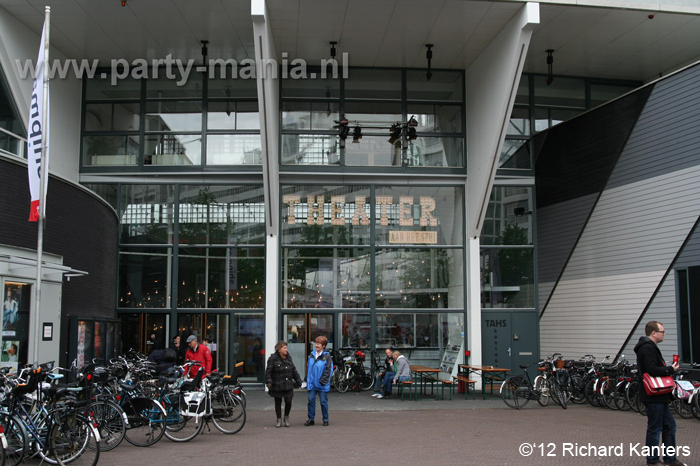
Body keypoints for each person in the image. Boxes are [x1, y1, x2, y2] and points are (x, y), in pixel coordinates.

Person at [634, 321, 685, 466]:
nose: (664, 334)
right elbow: (652, 370)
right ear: (654, 333)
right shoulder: (647, 349)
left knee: (669, 426)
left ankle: (670, 459)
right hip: (654, 395)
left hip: (658, 395)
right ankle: (653, 461)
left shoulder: (648, 347)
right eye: (662, 331)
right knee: (655, 428)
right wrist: (670, 369)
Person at [265, 341, 302, 428]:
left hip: (287, 384)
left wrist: (298, 381)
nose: (286, 350)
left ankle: (286, 417)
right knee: (278, 402)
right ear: (279, 350)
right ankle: (278, 419)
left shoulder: (288, 358)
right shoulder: (272, 359)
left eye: (286, 348)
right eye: (284, 348)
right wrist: (269, 381)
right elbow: (268, 372)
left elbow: (293, 370)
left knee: (288, 401)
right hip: (277, 383)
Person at [305, 336, 333, 427]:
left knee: (323, 402)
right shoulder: (311, 355)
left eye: (318, 344)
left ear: (323, 345)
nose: (316, 345)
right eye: (316, 343)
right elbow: (309, 367)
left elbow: (328, 370)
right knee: (311, 401)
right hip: (312, 383)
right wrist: (307, 379)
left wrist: (322, 381)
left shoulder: (327, 356)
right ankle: (311, 419)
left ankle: (325, 419)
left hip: (322, 384)